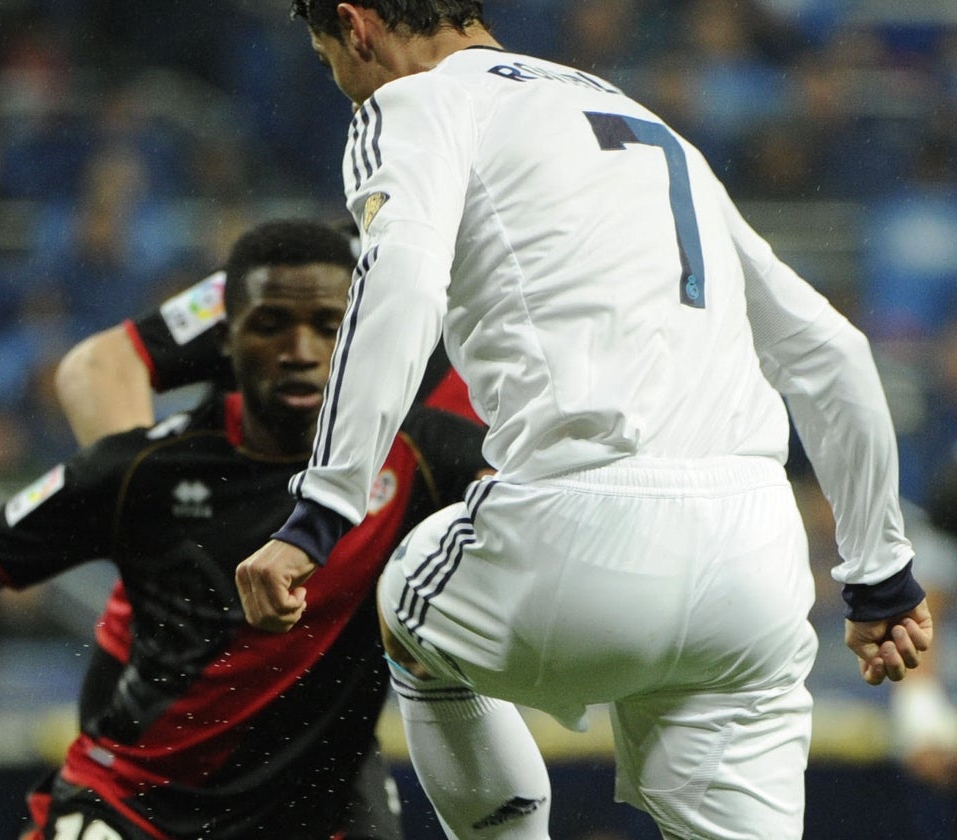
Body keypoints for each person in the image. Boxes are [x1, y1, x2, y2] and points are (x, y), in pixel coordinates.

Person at [234, 4, 933, 839]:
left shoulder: (415, 102)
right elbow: (829, 351)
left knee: (408, 601)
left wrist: (321, 514)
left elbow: (401, 285)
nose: (343, 83)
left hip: (581, 526)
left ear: (356, 26)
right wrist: (881, 576)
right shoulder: (644, 122)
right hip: (755, 563)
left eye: (327, 59)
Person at [0, 219, 493, 840]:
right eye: (271, 325)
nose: (301, 348)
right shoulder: (149, 467)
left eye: (327, 328)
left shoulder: (427, 450)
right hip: (131, 803)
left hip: (315, 781)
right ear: (225, 340)